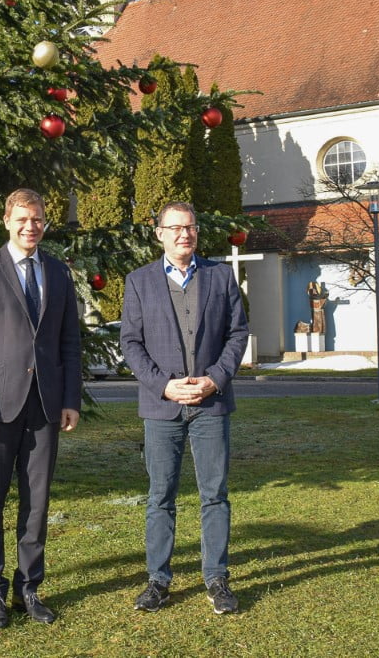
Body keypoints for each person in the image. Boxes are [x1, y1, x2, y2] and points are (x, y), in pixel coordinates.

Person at [0, 188, 83, 629]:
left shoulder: (58, 273)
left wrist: (70, 399)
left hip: (45, 407)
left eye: (39, 219)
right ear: (7, 221)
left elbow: (69, 341)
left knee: (37, 504)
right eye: (23, 219)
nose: (31, 227)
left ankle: (28, 587)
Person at [120, 201, 250, 615]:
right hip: (162, 408)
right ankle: (158, 579)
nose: (184, 235)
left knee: (215, 494)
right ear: (159, 234)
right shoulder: (138, 282)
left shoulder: (220, 276)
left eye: (190, 227)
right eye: (174, 228)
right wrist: (164, 386)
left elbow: (238, 332)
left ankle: (216, 576)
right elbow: (131, 344)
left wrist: (215, 379)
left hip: (211, 404)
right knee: (161, 495)